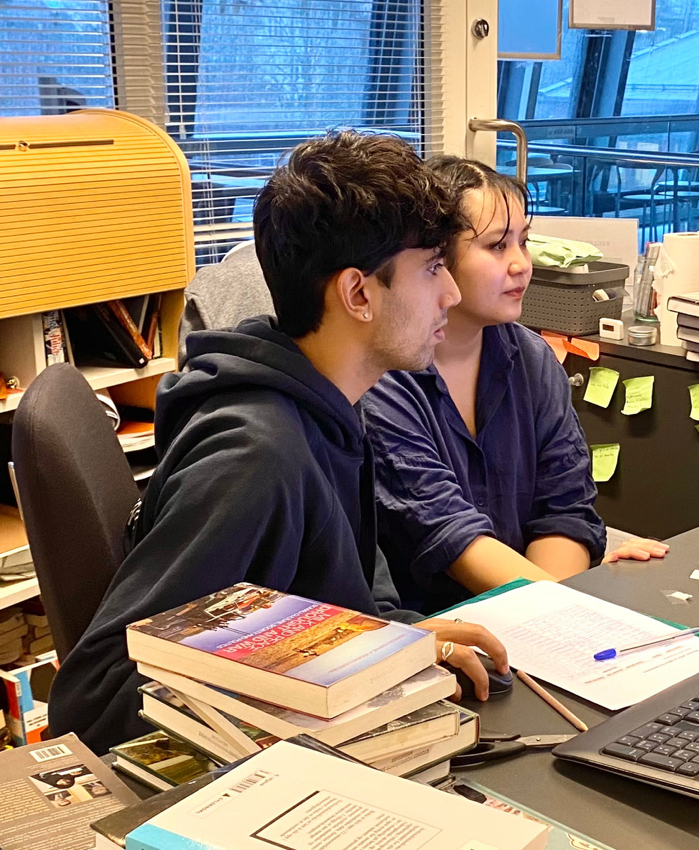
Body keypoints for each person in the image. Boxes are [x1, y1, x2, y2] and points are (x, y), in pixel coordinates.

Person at [49, 132, 506, 755]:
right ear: (358, 294)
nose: (451, 293)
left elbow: (334, 604)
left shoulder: (333, 406)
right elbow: (95, 700)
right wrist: (354, 662)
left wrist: (404, 641)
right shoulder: (257, 460)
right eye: (431, 268)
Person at [363, 156, 666, 614]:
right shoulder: (383, 377)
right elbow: (447, 533)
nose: (522, 264)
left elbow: (565, 508)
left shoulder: (531, 357)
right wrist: (569, 606)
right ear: (434, 257)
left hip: (532, 608)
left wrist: (558, 602)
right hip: (434, 631)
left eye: (523, 242)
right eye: (496, 246)